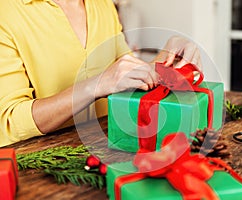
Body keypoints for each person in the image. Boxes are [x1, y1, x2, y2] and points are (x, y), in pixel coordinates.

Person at [0, 0, 202, 147]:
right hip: (43, 170)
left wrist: (167, 55)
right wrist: (94, 86)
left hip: (112, 148)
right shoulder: (6, 12)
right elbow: (9, 121)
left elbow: (128, 76)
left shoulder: (103, 5)